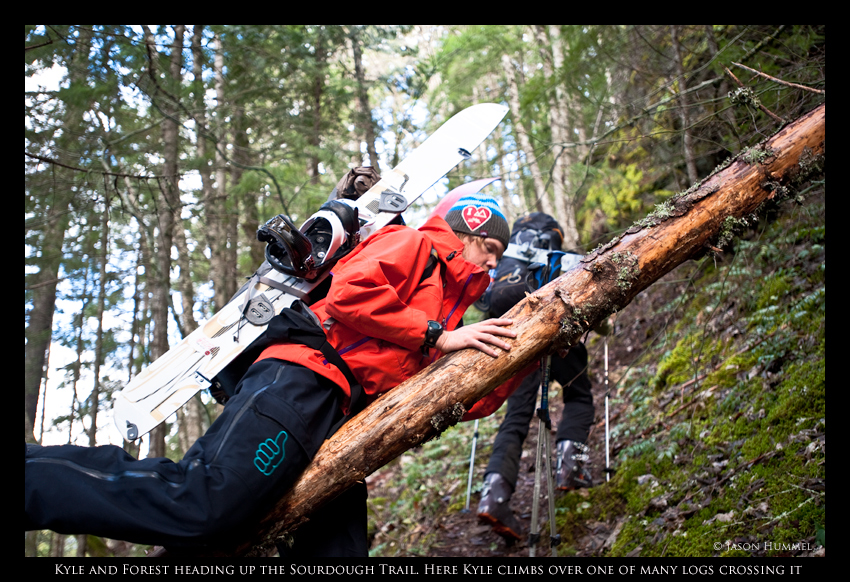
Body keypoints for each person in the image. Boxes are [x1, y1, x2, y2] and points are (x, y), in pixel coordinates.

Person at [25, 192, 521, 556]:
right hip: (300, 379)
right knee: (202, 503)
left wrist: (529, 349)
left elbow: (463, 396)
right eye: (491, 253)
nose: (493, 268)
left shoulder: (447, 313)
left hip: (341, 422)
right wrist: (435, 334)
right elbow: (351, 294)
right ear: (470, 235)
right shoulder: (414, 247)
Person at [475, 212, 595, 542]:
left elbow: (486, 301)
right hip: (551, 326)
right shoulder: (556, 255)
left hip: (512, 331)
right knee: (579, 394)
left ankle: (494, 496)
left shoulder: (508, 258)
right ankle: (571, 466)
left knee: (516, 417)